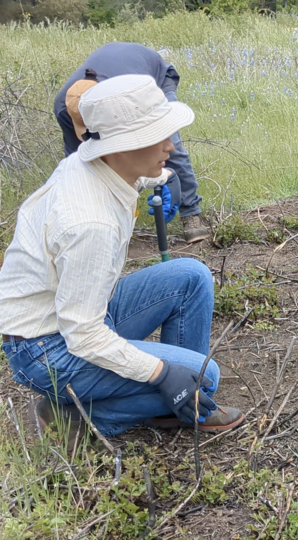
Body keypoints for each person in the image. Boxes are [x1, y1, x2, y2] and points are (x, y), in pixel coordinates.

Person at [0, 75, 244, 445]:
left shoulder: (89, 165)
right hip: (46, 349)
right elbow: (82, 335)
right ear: (121, 146)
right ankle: (80, 419)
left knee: (191, 276)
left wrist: (163, 178)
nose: (170, 144)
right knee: (206, 374)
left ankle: (181, 402)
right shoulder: (89, 223)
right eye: (156, 137)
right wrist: (162, 374)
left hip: (72, 315)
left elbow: (125, 171)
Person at [55, 42, 211, 243]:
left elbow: (136, 146)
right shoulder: (66, 107)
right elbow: (81, 163)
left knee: (169, 147)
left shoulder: (125, 96)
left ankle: (191, 212)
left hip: (155, 79)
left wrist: (167, 176)